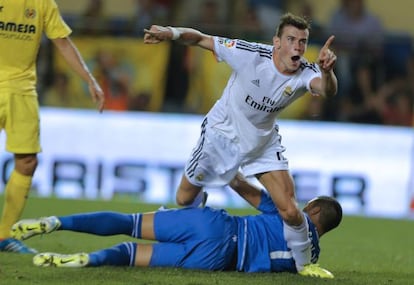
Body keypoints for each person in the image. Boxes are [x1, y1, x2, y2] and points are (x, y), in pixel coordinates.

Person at [143, 12, 338, 278]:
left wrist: (327, 72)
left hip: (262, 142)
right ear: (276, 42)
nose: (298, 47)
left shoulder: (307, 70)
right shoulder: (250, 54)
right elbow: (201, 39)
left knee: (290, 210)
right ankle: (199, 206)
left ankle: (304, 265)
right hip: (220, 135)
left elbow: (327, 90)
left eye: (302, 42)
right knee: (184, 198)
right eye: (291, 39)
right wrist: (171, 33)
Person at [11, 173, 342, 277]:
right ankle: (89, 259)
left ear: (312, 209)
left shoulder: (289, 213)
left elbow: (242, 187)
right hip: (217, 262)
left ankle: (56, 222)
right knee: (132, 254)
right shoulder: (308, 260)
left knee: (130, 222)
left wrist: (229, 168)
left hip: (216, 227)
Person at [0, 0, 105, 254]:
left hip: (22, 90)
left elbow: (62, 41)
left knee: (26, 162)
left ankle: (4, 235)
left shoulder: (42, 3)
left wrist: (89, 80)